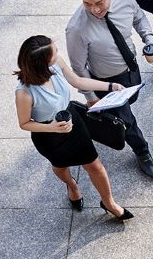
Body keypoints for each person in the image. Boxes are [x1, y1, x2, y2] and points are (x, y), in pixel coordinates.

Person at [14, 34, 133, 220]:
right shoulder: (24, 93)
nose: (58, 53)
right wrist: (53, 128)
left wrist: (110, 86)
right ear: (42, 62)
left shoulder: (56, 63)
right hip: (48, 134)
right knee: (60, 166)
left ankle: (109, 202)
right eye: (54, 52)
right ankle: (72, 185)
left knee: (94, 164)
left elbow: (77, 81)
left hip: (73, 122)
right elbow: (24, 123)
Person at [66, 0, 153, 179]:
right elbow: (78, 68)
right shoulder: (76, 29)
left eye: (99, 2)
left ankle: (103, 112)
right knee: (126, 119)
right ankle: (142, 151)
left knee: (132, 98)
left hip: (131, 68)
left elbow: (139, 19)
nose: (94, 10)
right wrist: (91, 97)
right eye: (87, 4)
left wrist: (150, 40)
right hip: (105, 81)